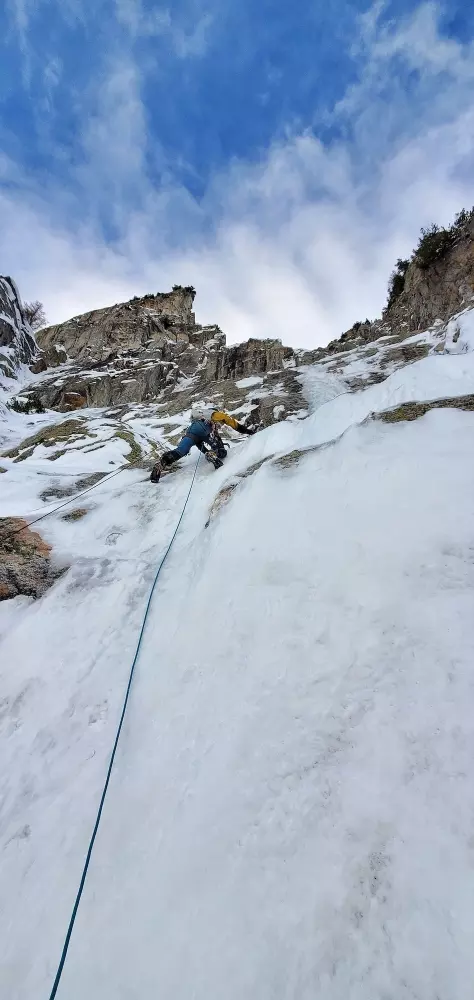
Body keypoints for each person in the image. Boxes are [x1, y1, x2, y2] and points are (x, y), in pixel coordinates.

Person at [150, 407, 255, 482]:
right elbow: (234, 424)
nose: (219, 425)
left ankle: (163, 461)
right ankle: (215, 453)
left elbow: (199, 444)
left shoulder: (197, 418)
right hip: (204, 430)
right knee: (221, 449)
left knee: (181, 451)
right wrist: (249, 432)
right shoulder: (215, 414)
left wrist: (206, 452)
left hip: (190, 432)